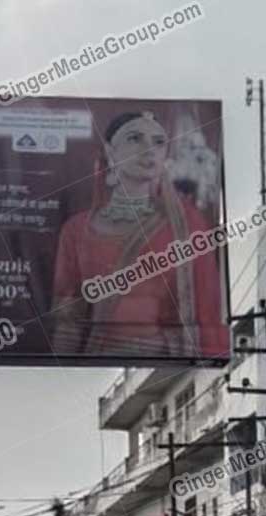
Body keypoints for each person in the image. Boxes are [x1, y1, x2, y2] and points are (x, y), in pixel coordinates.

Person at [50, 110, 229, 360]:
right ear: (111, 152)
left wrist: (143, 349)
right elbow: (67, 322)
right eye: (135, 139)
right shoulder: (76, 230)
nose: (149, 150)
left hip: (161, 368)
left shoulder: (187, 227)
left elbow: (207, 316)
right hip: (94, 362)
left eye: (158, 142)